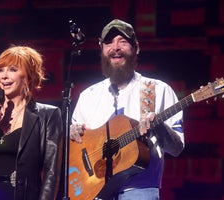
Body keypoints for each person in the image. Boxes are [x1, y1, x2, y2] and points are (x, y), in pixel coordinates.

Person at [69, 19, 184, 200]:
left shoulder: (158, 90)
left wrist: (159, 125)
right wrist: (73, 134)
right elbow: (75, 150)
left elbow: (176, 148)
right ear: (101, 48)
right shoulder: (88, 96)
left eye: (123, 41)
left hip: (140, 190)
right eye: (109, 42)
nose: (116, 47)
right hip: (94, 191)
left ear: (136, 47)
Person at [0, 45, 63, 200]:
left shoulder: (48, 115)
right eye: (1, 70)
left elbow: (52, 173)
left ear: (28, 76)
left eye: (13, 69)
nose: (4, 76)